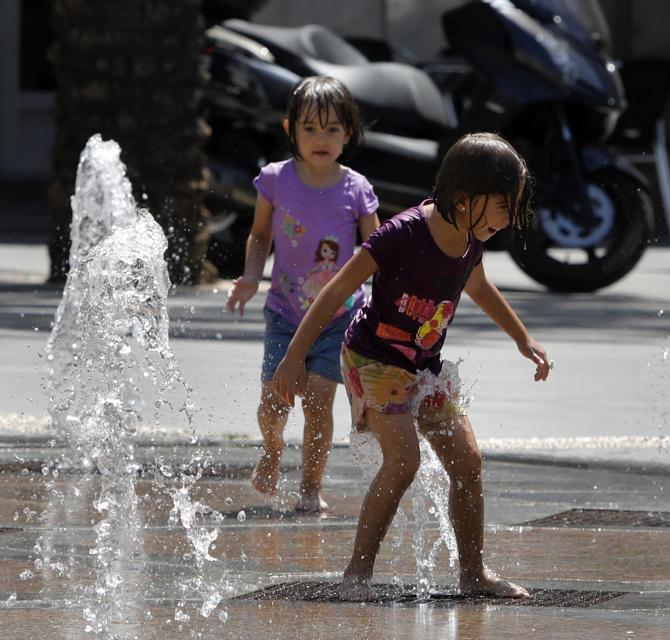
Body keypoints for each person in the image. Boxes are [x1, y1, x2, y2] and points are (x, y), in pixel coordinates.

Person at [271, 132, 549, 601]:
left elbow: (479, 288)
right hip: (373, 358)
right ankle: (356, 575)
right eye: (503, 206)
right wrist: (294, 357)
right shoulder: (401, 234)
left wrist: (523, 338)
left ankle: (473, 573)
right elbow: (336, 290)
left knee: (468, 461)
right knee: (404, 461)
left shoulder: (470, 239)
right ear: (464, 198)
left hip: (423, 364)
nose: (508, 219)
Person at [225, 76, 381, 514]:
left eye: (332, 129)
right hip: (285, 312)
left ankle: (311, 485)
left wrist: (383, 300)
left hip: (338, 315)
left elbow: (377, 250)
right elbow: (260, 235)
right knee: (273, 402)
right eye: (309, 128)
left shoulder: (356, 189)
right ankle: (273, 450)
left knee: (317, 400)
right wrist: (251, 275)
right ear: (290, 129)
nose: (320, 139)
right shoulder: (275, 180)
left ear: (348, 133)